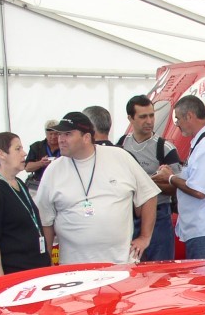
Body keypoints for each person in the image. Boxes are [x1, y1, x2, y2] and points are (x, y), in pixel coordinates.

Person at [36, 111, 159, 265]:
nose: (60, 140)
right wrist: (46, 262)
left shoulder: (119, 157)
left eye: (67, 134)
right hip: (73, 268)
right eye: (60, 134)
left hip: (120, 264)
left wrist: (145, 237)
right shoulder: (53, 170)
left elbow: (149, 194)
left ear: (86, 137)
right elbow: (45, 220)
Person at [154, 95, 205, 260]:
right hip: (202, 228)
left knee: (204, 282)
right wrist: (175, 176)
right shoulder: (204, 143)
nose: (177, 124)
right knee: (201, 280)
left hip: (204, 229)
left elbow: (198, 190)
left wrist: (170, 178)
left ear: (189, 116)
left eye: (178, 119)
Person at [0, 132, 52, 277]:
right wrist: (0, 282)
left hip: (38, 269)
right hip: (16, 274)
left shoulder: (18, 183)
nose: (24, 153)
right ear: (1, 154)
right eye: (17, 149)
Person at [117, 94, 182, 260]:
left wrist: (147, 184)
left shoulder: (165, 148)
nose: (149, 121)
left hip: (159, 217)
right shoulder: (121, 145)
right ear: (130, 118)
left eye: (152, 115)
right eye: (143, 116)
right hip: (127, 218)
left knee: (161, 272)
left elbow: (177, 187)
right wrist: (152, 180)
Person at [24, 119, 61, 197]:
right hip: (40, 186)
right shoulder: (36, 147)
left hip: (61, 185)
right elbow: (27, 168)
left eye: (56, 134)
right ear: (45, 133)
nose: (53, 137)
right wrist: (41, 163)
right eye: (50, 134)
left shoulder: (65, 147)